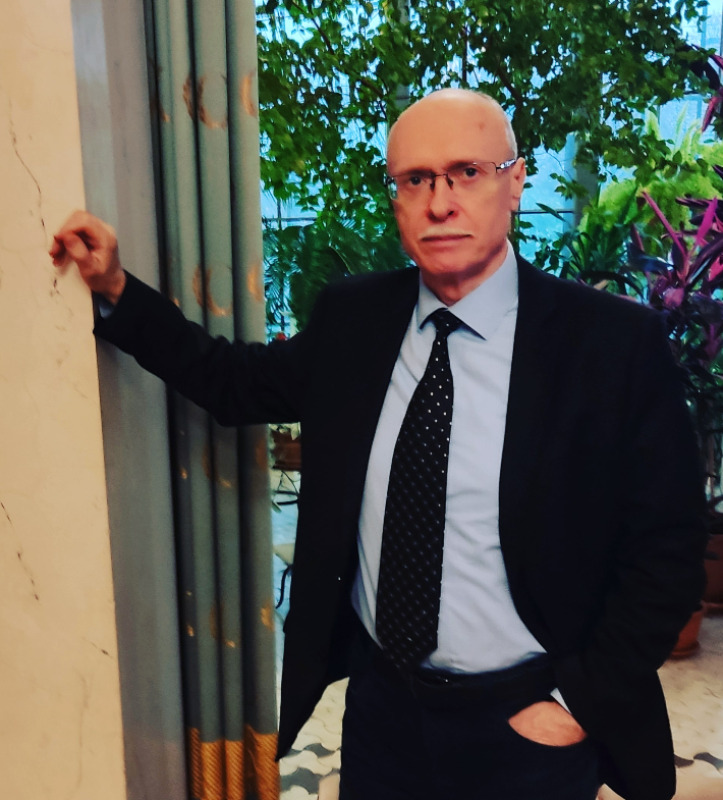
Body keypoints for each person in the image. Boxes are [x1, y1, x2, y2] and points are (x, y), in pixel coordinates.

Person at [51, 88, 706, 800]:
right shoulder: (354, 320)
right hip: (381, 714)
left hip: (527, 724)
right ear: (396, 198)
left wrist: (574, 704)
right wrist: (116, 288)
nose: (440, 202)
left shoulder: (610, 345)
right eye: (416, 179)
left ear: (515, 182)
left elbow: (668, 549)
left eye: (467, 172)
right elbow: (232, 382)